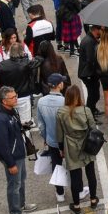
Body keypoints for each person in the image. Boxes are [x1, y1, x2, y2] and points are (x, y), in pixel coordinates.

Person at [0, 88, 35, 214]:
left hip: (18, 153)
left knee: (20, 181)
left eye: (16, 96)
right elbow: (1, 145)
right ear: (4, 100)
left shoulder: (11, 111)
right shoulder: (0, 119)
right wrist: (10, 163)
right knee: (14, 185)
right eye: (13, 97)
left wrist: (22, 126)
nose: (16, 98)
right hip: (13, 157)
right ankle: (15, 213)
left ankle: (21, 204)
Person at [35, 74, 67, 203]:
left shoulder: (41, 102)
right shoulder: (65, 101)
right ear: (59, 85)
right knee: (73, 166)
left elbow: (41, 125)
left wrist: (45, 137)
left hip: (52, 140)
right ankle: (79, 189)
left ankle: (60, 192)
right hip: (67, 140)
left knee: (56, 165)